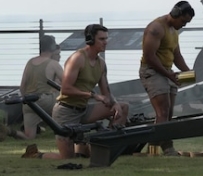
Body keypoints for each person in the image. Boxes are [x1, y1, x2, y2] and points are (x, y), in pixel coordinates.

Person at [22, 24, 129, 160]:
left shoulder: (101, 64)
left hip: (83, 110)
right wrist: (93, 95)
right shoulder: (77, 59)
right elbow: (66, 89)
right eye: (101, 39)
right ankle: (36, 154)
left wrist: (114, 104)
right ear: (90, 40)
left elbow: (106, 91)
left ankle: (108, 147)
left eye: (106, 39)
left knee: (123, 107)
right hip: (66, 112)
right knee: (67, 158)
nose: (105, 42)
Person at [139, 1, 195, 157]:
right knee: (162, 111)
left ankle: (154, 147)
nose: (183, 25)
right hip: (153, 71)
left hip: (166, 72)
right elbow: (149, 57)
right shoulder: (156, 28)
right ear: (175, 14)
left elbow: (177, 56)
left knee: (168, 113)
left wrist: (189, 72)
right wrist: (168, 73)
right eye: (183, 21)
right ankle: (167, 148)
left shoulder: (174, 31)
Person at [3, 35, 64, 141]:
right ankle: (67, 129)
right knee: (64, 99)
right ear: (52, 48)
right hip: (45, 100)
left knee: (29, 136)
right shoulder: (53, 64)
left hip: (29, 103)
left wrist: (26, 100)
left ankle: (9, 131)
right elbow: (68, 84)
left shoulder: (30, 62)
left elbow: (22, 86)